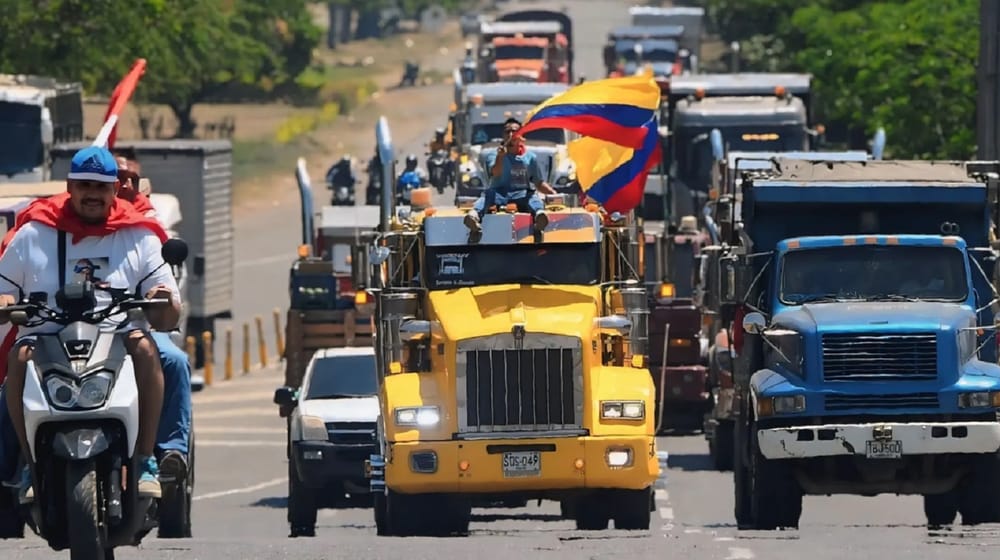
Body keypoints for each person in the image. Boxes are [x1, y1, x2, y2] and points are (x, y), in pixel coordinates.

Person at [0, 146, 179, 504]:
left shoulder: (139, 234)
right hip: (47, 337)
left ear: (115, 189)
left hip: (115, 337)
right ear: (70, 186)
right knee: (18, 358)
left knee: (147, 348)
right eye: (84, 185)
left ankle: (144, 460)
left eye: (101, 186)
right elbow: (5, 289)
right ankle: (30, 463)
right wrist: (7, 304)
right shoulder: (35, 232)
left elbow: (168, 309)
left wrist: (161, 298)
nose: (93, 194)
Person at [114, 157, 192, 486]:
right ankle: (21, 461)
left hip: (135, 325)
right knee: (21, 363)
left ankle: (168, 451)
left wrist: (158, 297)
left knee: (173, 359)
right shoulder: (62, 230)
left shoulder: (147, 231)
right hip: (81, 331)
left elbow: (166, 288)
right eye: (118, 177)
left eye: (131, 178)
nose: (125, 184)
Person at [464, 117, 556, 233]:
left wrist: (553, 193)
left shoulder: (530, 158)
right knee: (488, 195)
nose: (511, 135)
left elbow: (538, 182)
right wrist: (500, 157)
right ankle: (474, 215)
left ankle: (539, 216)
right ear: (503, 135)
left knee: (532, 196)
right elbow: (495, 173)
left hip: (521, 194)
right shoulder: (493, 155)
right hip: (499, 193)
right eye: (508, 132)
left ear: (521, 136)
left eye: (515, 132)